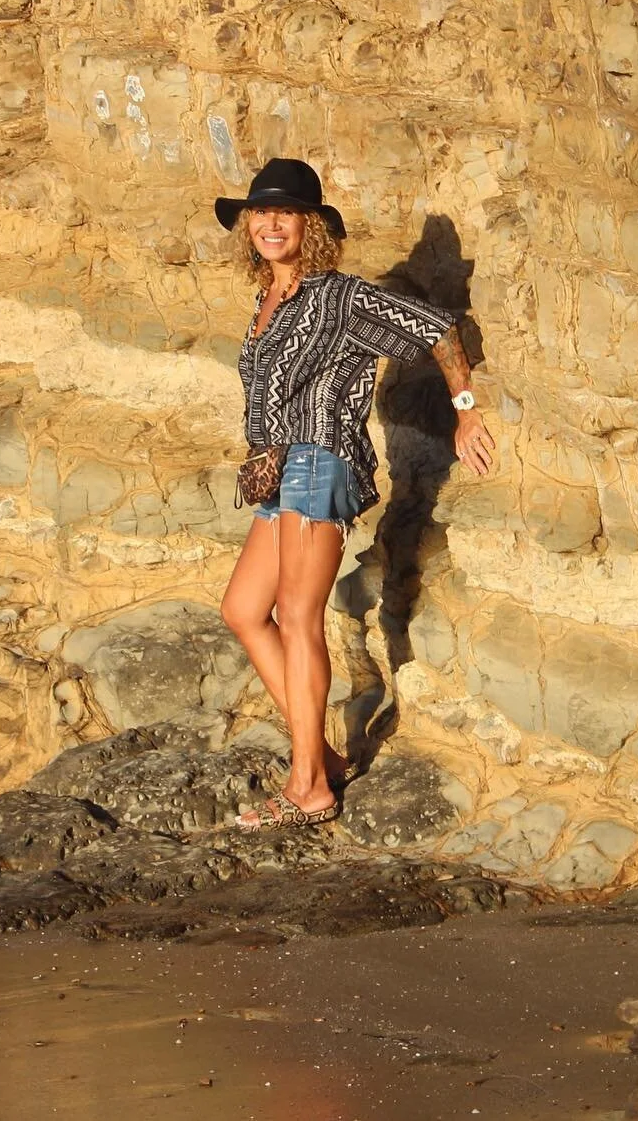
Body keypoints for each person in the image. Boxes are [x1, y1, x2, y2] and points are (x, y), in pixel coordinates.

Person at [214, 157, 495, 831]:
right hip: (278, 470)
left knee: (298, 615)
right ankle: (323, 755)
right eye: (261, 211)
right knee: (243, 609)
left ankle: (309, 781)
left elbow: (431, 326)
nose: (270, 223)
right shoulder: (268, 296)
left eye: (285, 213)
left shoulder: (338, 297)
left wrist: (466, 408)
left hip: (321, 460)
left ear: (310, 226)